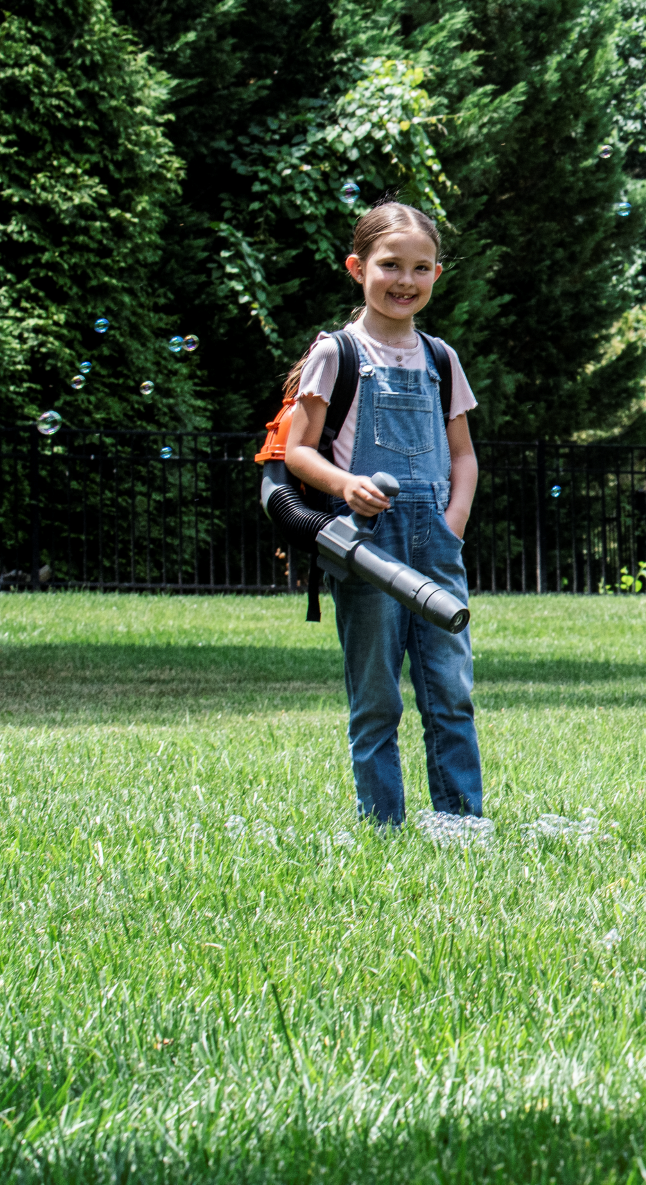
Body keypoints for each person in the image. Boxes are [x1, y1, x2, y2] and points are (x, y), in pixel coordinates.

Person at [280, 202, 483, 825]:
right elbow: (296, 452)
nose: (405, 280)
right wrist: (347, 485)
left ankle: (461, 823)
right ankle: (384, 826)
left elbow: (464, 457)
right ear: (357, 267)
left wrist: (451, 528)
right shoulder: (336, 354)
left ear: (437, 276)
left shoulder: (440, 359)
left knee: (450, 694)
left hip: (436, 544)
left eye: (421, 268)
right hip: (367, 547)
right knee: (376, 699)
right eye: (390, 265)